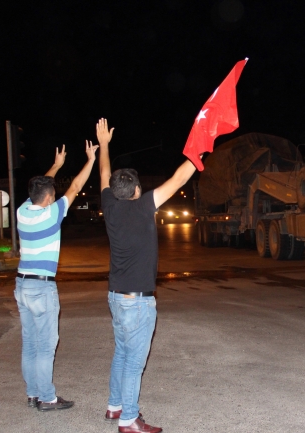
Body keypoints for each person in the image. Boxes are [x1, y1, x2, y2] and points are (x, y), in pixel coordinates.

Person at [97, 118, 198, 433]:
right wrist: (198, 151)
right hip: (137, 303)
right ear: (137, 190)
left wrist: (103, 145)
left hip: (115, 297)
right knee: (133, 362)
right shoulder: (143, 207)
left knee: (122, 352)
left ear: (115, 192)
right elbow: (180, 178)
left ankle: (115, 407)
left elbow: (103, 173)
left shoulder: (110, 206)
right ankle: (128, 419)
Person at [15, 141, 99, 411]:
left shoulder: (22, 212)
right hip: (42, 288)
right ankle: (47, 398)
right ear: (50, 198)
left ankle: (32, 393)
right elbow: (75, 187)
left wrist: (57, 165)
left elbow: (41, 187)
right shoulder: (52, 214)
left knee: (30, 342)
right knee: (46, 346)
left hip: (22, 284)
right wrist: (90, 160)